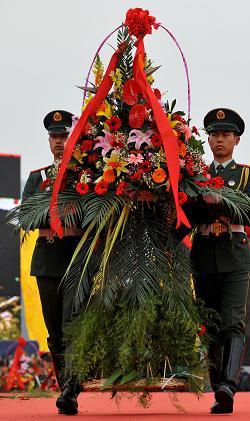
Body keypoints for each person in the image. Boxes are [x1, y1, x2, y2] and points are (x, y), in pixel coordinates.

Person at [189, 108, 250, 414]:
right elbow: (186, 216)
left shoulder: (247, 174)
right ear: (207, 139)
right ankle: (218, 385)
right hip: (204, 254)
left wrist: (222, 201)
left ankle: (228, 385)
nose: (219, 140)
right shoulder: (195, 175)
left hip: (234, 254)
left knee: (233, 321)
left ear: (236, 139)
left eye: (225, 135)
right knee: (209, 324)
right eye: (214, 135)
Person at [22, 110, 83, 415]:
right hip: (46, 258)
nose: (59, 142)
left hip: (75, 258)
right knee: (54, 328)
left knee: (73, 325)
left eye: (64, 136)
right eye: (55, 137)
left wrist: (50, 211)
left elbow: (91, 214)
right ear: (49, 141)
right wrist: (61, 211)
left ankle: (71, 388)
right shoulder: (37, 178)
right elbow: (27, 216)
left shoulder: (85, 176)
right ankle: (65, 386)